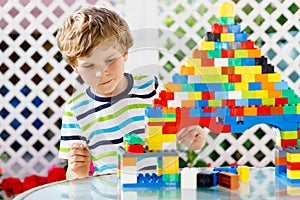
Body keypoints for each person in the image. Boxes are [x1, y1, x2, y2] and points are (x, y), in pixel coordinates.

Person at [56, 6, 207, 180]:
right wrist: (77, 171)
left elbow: (189, 138)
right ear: (75, 66)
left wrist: (196, 137)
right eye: (89, 65)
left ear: (125, 53)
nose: (101, 72)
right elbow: (74, 176)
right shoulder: (76, 109)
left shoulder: (153, 89)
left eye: (110, 60)